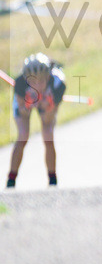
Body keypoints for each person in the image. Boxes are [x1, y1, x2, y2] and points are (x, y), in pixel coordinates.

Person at [7, 53, 66, 188]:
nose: (37, 85)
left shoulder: (58, 84)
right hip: (26, 102)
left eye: (41, 81)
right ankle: (11, 180)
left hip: (47, 103)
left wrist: (47, 106)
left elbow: (48, 119)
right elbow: (21, 111)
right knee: (23, 136)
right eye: (33, 81)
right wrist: (28, 105)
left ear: (48, 77)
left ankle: (52, 180)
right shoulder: (20, 84)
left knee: (48, 136)